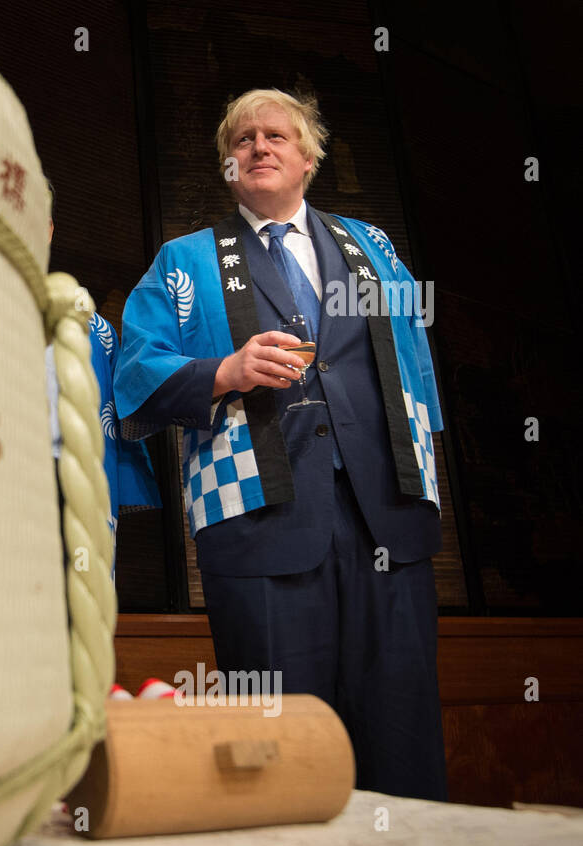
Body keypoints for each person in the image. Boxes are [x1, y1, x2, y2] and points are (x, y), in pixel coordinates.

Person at [113, 88, 447, 801]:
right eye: (241, 140)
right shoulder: (184, 262)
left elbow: (415, 369)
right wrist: (223, 372)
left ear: (309, 157)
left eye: (275, 136)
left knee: (403, 736)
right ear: (228, 166)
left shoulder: (372, 246)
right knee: (279, 751)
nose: (258, 147)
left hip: (385, 516)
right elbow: (133, 376)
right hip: (260, 524)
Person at [43, 182, 159, 568]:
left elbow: (127, 407)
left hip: (74, 483)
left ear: (49, 229)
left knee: (75, 617)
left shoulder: (96, 328)